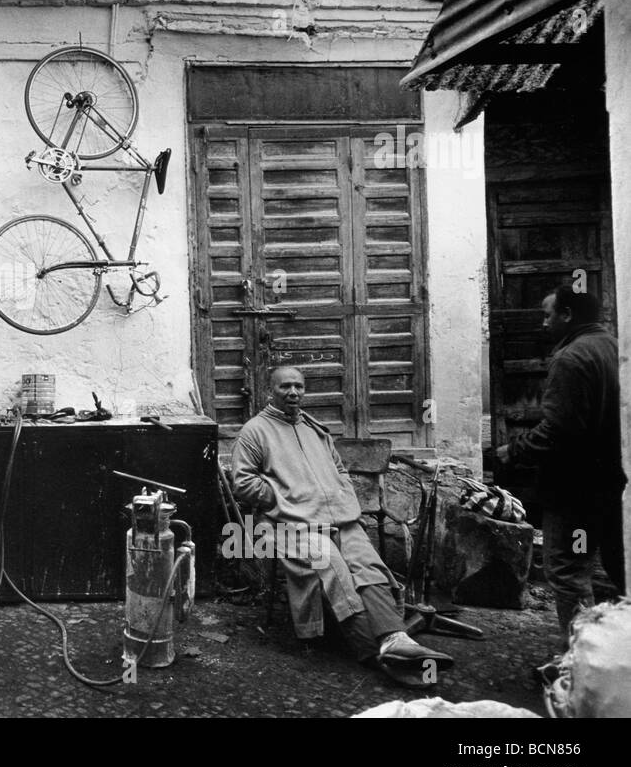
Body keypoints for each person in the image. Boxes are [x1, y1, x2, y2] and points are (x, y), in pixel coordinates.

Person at [231, 366, 452, 688]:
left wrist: (341, 493)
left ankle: (396, 638)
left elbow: (339, 469)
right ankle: (374, 652)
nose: (293, 392)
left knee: (368, 564)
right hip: (288, 524)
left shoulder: (314, 429)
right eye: (285, 387)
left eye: (299, 387)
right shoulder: (255, 431)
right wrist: (284, 499)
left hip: (340, 519)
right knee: (332, 567)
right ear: (271, 391)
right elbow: (242, 483)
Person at [496, 286, 626, 649]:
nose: (543, 322)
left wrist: (515, 450)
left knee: (568, 571)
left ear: (568, 315)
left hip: (575, 489)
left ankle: (582, 662)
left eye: (548, 314)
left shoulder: (572, 358)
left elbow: (559, 431)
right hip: (613, 483)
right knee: (619, 569)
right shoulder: (615, 348)